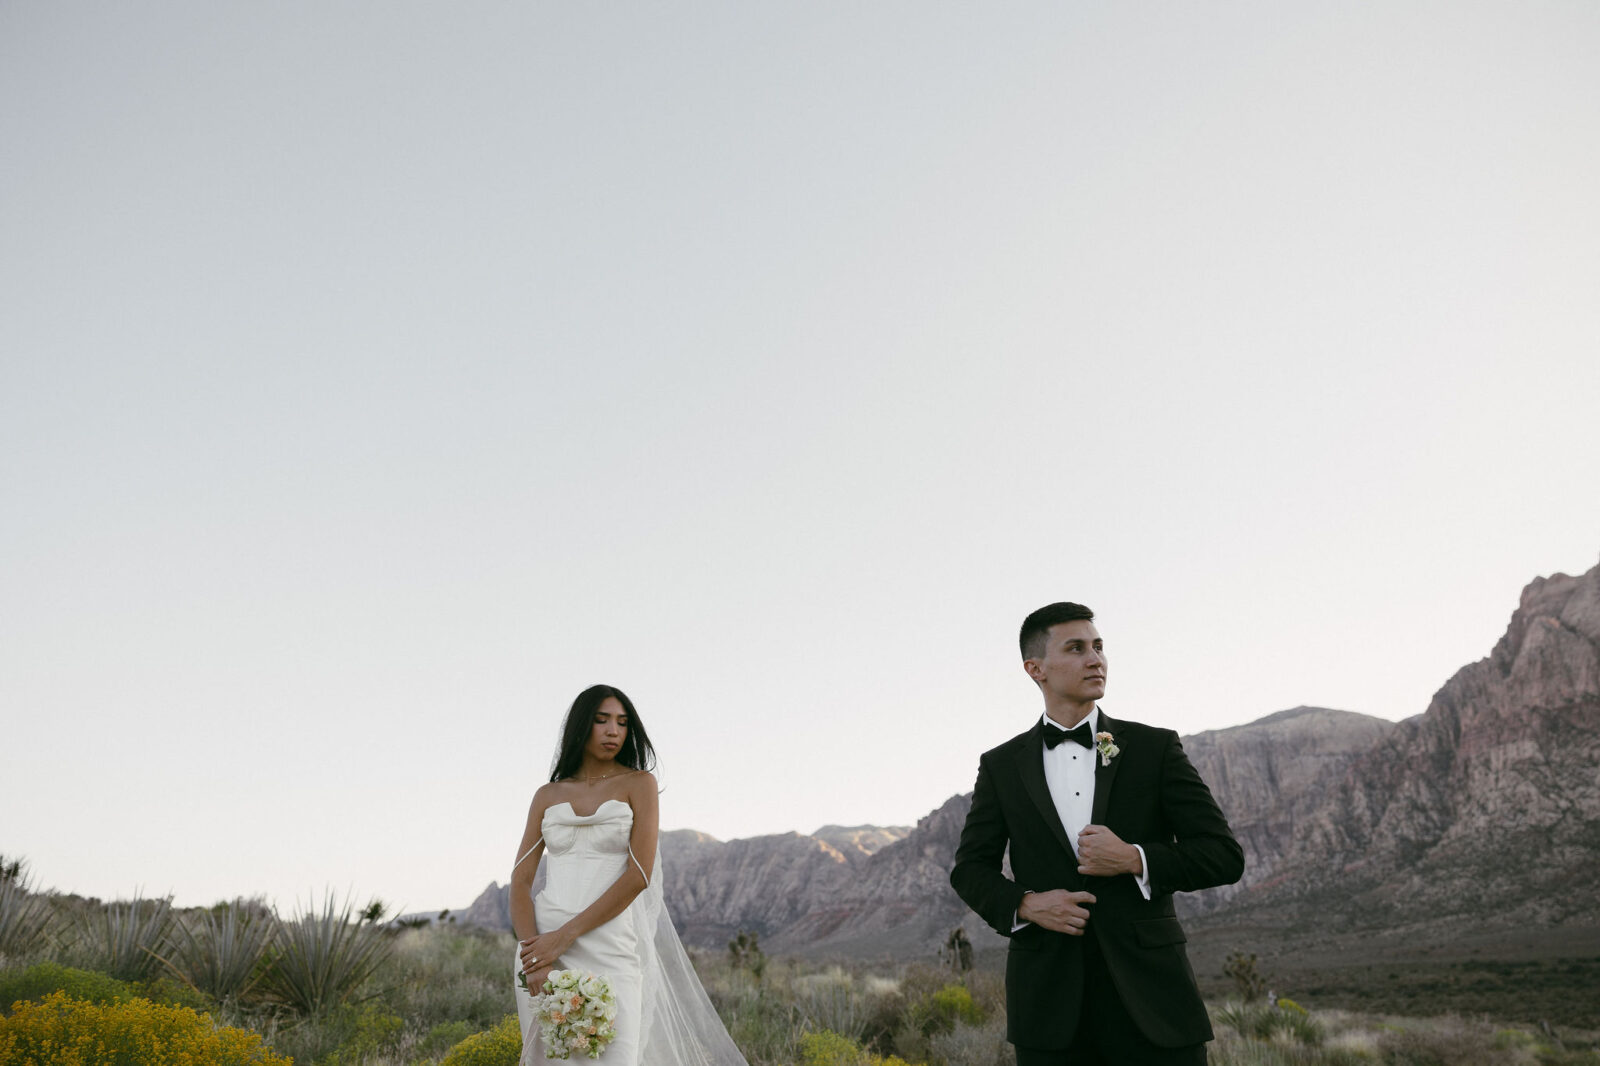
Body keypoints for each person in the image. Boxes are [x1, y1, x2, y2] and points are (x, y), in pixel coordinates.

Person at [950, 603, 1244, 1066]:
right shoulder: (1002, 766)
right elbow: (969, 869)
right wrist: (1026, 904)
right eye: (1076, 648)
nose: (1096, 659)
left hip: (1154, 1002)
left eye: (1099, 646)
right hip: (1047, 1007)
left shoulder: (1154, 748)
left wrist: (1134, 858)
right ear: (1036, 669)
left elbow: (1224, 855)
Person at [509, 684, 748, 1065]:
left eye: (621, 722)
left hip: (610, 945)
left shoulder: (639, 784)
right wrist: (534, 956)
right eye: (601, 720)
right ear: (581, 726)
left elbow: (639, 875)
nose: (612, 731)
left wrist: (563, 937)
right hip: (543, 950)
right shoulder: (546, 795)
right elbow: (520, 882)